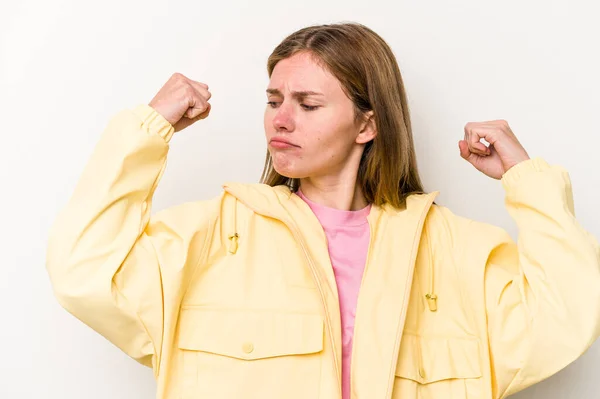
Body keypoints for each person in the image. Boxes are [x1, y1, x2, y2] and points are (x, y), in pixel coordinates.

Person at [46, 22, 600, 399]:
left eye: (308, 104)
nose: (279, 121)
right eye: (272, 100)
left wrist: (528, 182)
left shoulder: (453, 250)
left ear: (367, 124)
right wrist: (147, 131)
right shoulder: (214, 236)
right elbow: (84, 272)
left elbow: (563, 324)